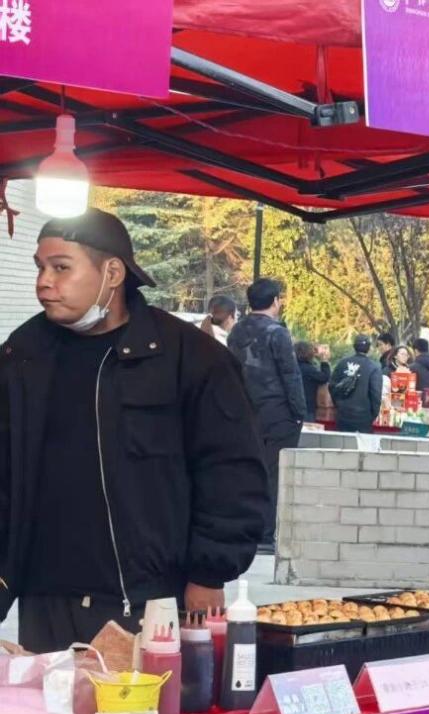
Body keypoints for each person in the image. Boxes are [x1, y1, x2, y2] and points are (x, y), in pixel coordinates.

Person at [2, 209, 268, 652]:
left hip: (150, 597)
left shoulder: (189, 357)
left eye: (61, 267)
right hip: (45, 597)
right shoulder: (22, 355)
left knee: (146, 700)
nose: (44, 282)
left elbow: (231, 470)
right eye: (40, 267)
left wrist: (209, 573)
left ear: (112, 273)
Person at [227, 277, 305, 555]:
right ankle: (264, 535)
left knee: (246, 472)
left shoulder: (236, 331)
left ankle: (242, 529)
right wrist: (299, 412)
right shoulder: (277, 333)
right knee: (272, 474)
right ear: (275, 301)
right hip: (277, 413)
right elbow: (290, 375)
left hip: (244, 411)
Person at [330, 335, 384, 434]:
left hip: (343, 413)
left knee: (342, 442)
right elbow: (376, 394)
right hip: (363, 415)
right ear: (369, 348)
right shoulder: (373, 367)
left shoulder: (342, 363)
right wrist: (373, 414)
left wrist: (338, 404)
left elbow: (332, 386)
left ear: (354, 346)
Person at [295, 340, 331, 423]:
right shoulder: (308, 369)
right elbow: (324, 377)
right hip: (307, 408)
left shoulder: (292, 366)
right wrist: (324, 360)